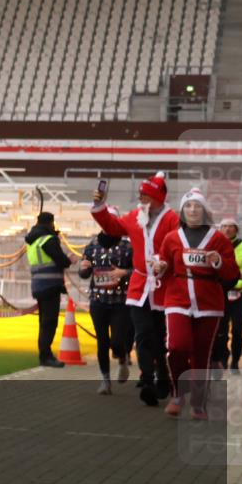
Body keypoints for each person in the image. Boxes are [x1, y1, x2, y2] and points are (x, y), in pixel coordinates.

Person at [92, 172, 180, 407]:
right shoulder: (134, 217)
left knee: (161, 339)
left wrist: (164, 261)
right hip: (139, 286)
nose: (141, 198)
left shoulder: (172, 219)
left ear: (158, 197)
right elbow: (112, 227)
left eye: (146, 195)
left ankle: (163, 374)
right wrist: (100, 205)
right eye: (140, 194)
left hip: (164, 286)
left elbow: (177, 246)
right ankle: (148, 381)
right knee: (142, 335)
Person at [153, 189, 241, 418]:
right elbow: (162, 263)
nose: (193, 210)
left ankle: (199, 403)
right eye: (188, 206)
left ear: (205, 211)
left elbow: (232, 273)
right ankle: (178, 393)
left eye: (197, 206)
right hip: (177, 298)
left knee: (202, 354)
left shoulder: (218, 239)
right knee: (176, 347)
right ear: (182, 210)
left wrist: (218, 261)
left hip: (208, 302)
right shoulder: (172, 238)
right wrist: (160, 268)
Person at [78, 206, 134, 394]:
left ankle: (122, 358)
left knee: (117, 340)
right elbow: (84, 273)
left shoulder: (128, 246)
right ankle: (105, 380)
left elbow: (139, 272)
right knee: (102, 341)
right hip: (98, 301)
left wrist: (124, 272)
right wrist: (84, 268)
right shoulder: (92, 245)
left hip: (120, 301)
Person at [25, 211, 78, 367]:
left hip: (38, 285)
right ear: (50, 223)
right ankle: (45, 356)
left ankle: (44, 354)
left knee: (44, 322)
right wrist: (70, 260)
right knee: (49, 322)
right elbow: (61, 260)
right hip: (50, 286)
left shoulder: (33, 241)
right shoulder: (48, 239)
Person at [211, 217, 242, 373]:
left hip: (239, 294)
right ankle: (223, 359)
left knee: (237, 330)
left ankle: (235, 362)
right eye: (223, 226)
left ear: (236, 230)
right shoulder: (215, 246)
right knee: (221, 330)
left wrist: (238, 280)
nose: (227, 229)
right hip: (221, 293)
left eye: (230, 226)